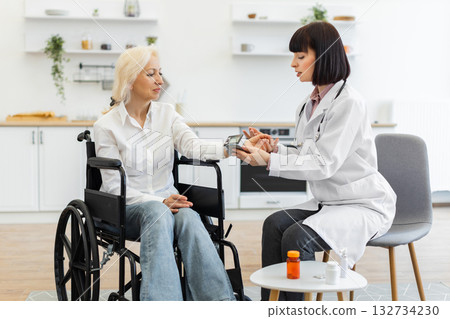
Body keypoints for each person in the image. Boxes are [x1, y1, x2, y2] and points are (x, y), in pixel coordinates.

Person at [235, 22, 397, 301]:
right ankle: (272, 307)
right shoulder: (307, 105)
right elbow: (307, 153)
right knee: (274, 225)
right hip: (330, 201)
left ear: (323, 56)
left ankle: (299, 310)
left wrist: (269, 162)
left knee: (296, 238)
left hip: (361, 203)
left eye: (300, 56)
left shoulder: (349, 103)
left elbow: (323, 164)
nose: (293, 64)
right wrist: (273, 149)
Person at [94, 46, 235, 301]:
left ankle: (221, 303)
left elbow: (194, 146)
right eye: (151, 74)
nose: (160, 80)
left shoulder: (167, 115)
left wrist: (232, 148)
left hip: (169, 203)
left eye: (160, 73)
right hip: (129, 208)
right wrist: (161, 202)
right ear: (129, 80)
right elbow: (115, 188)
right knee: (158, 213)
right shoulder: (106, 126)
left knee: (191, 219)